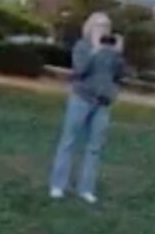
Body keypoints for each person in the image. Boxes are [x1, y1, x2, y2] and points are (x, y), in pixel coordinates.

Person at [49, 12, 127, 203]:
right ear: (90, 27)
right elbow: (80, 70)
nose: (103, 29)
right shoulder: (82, 46)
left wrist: (118, 55)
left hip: (102, 103)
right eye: (99, 25)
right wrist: (95, 50)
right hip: (81, 98)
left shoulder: (111, 50)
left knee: (95, 147)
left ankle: (86, 188)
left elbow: (119, 74)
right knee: (69, 141)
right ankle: (58, 185)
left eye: (106, 26)